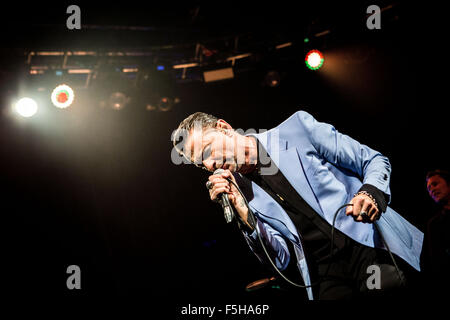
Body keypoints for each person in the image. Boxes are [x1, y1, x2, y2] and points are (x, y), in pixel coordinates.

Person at [171, 110, 423, 300]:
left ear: (224, 128)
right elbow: (280, 259)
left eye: (206, 150)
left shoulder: (296, 130)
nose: (209, 165)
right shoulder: (241, 192)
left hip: (364, 244)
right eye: (199, 163)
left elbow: (372, 160)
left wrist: (370, 194)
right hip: (324, 274)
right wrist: (244, 214)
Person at [423, 170, 450, 288]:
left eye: (435, 184)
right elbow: (437, 263)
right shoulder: (434, 224)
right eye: (429, 188)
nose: (432, 190)